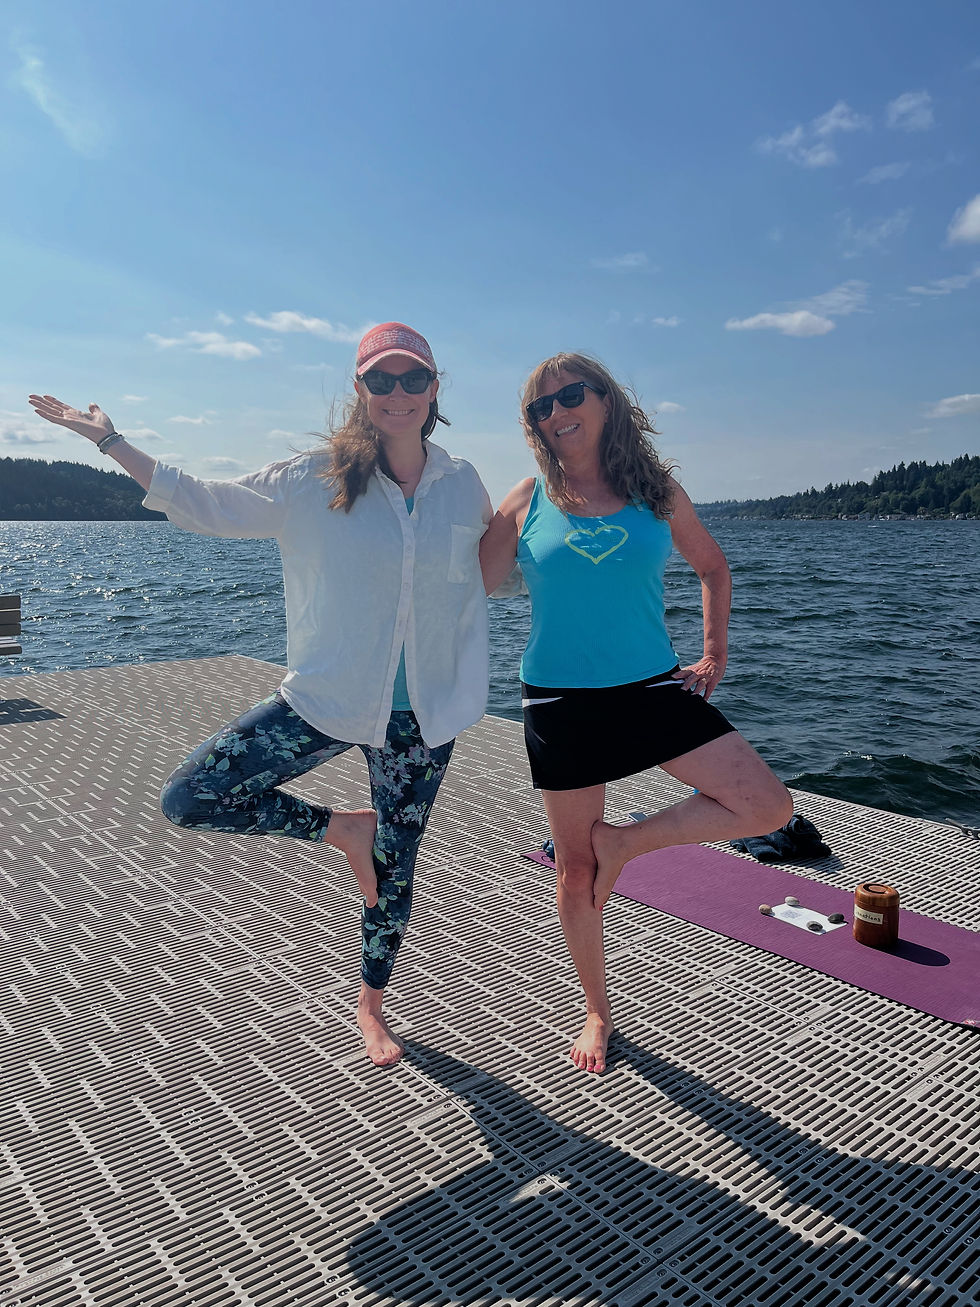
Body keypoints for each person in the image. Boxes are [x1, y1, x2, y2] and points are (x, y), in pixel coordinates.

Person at [29, 322, 491, 1068]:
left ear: (435, 388)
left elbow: (486, 569)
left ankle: (372, 1005)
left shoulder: (461, 483)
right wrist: (110, 441)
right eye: (381, 379)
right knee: (191, 794)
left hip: (424, 715)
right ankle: (340, 829)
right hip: (327, 698)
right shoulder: (314, 479)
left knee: (396, 869)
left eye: (413, 379)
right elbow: (207, 501)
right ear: (360, 390)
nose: (397, 393)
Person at [480, 352, 793, 1075]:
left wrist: (713, 653)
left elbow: (713, 566)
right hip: (560, 701)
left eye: (569, 395)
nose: (556, 413)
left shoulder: (655, 491)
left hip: (653, 687)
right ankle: (596, 1007)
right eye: (539, 408)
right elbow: (462, 585)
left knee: (765, 804)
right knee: (574, 869)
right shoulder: (527, 499)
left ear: (605, 399)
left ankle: (629, 843)